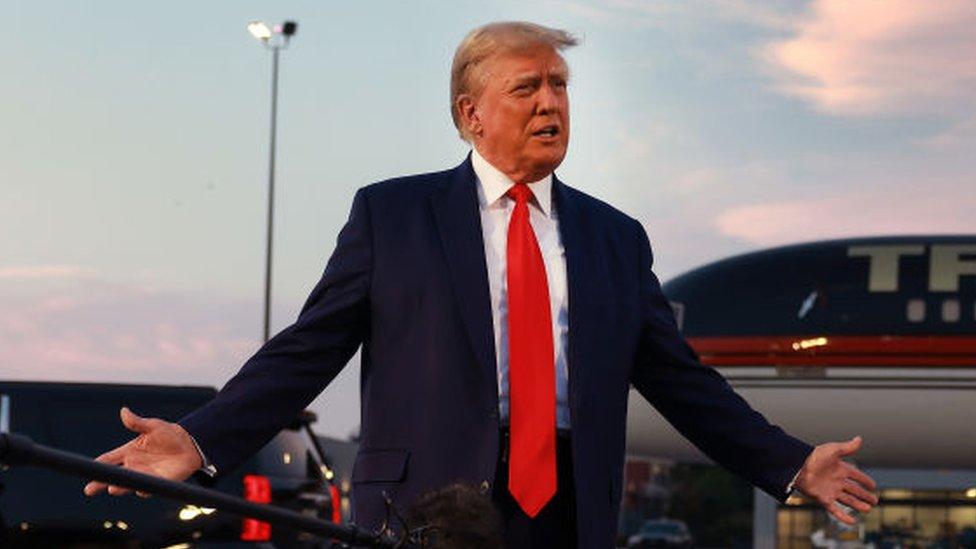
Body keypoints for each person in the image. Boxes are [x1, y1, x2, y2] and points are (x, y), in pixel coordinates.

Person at [84, 21, 878, 547]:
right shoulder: (393, 215)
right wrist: (199, 437)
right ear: (471, 113)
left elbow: (681, 381)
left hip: (571, 511)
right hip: (427, 504)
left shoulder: (613, 237)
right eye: (527, 87)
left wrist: (791, 462)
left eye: (560, 86)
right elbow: (306, 349)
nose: (550, 103)